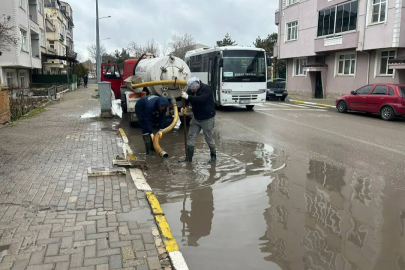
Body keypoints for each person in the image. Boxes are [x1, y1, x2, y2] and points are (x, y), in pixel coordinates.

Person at [181, 77, 216, 162]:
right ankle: (189, 158)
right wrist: (183, 107)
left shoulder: (206, 89)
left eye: (193, 89)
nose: (192, 91)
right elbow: (186, 99)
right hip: (196, 118)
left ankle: (213, 156)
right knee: (190, 136)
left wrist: (188, 97)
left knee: (208, 138)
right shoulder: (191, 90)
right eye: (191, 89)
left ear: (198, 85)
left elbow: (201, 99)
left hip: (207, 118)